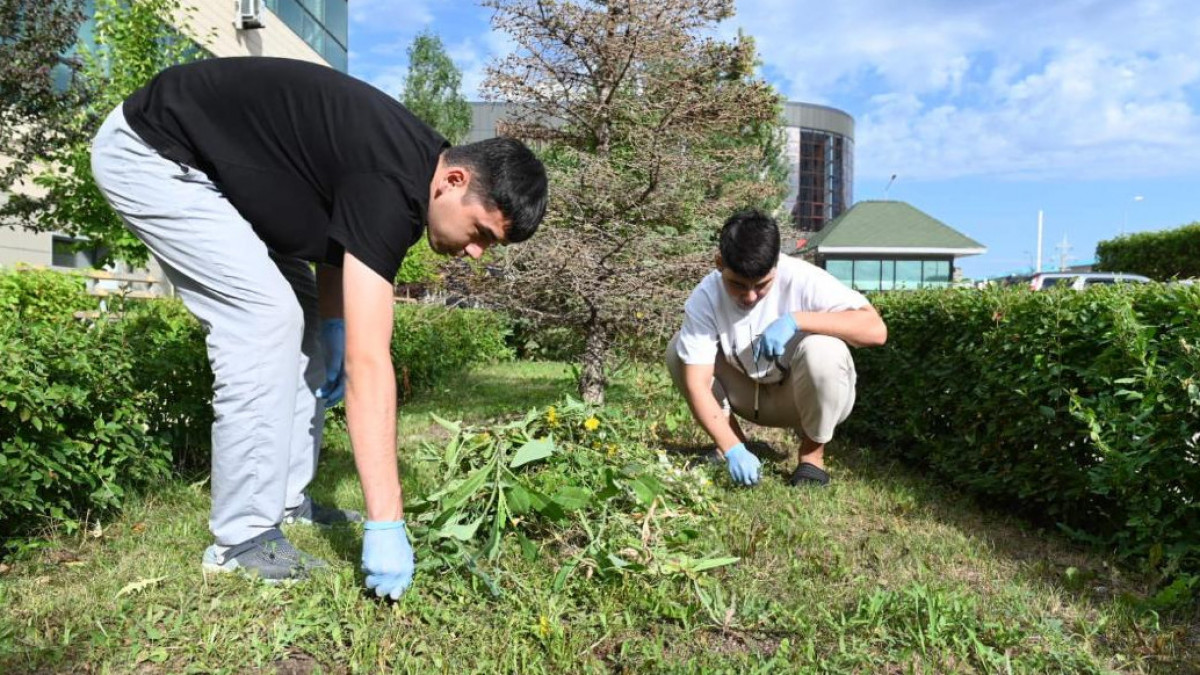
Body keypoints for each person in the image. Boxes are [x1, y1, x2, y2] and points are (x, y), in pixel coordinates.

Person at [90, 57, 548, 597]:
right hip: (155, 153)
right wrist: (387, 522)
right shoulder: (394, 180)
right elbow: (369, 362)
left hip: (224, 181)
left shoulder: (413, 170)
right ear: (454, 181)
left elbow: (339, 245)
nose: (475, 252)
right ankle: (240, 539)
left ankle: (285, 503)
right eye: (481, 233)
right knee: (264, 318)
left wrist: (331, 325)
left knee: (303, 323)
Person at [666, 209, 886, 487]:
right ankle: (733, 445)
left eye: (762, 285)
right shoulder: (706, 295)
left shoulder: (804, 278)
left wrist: (797, 320)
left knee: (825, 349)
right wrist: (732, 449)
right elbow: (697, 383)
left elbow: (876, 331)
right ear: (719, 263)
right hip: (746, 394)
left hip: (801, 400)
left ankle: (811, 459)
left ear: (776, 267)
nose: (750, 297)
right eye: (737, 285)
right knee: (679, 351)